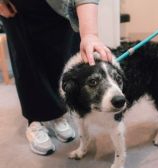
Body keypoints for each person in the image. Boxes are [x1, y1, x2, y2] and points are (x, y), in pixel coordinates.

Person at [0, 0, 112, 155]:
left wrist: (90, 34)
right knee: (28, 64)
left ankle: (57, 113)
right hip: (18, 8)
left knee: (62, 61)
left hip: (61, 9)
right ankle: (35, 120)